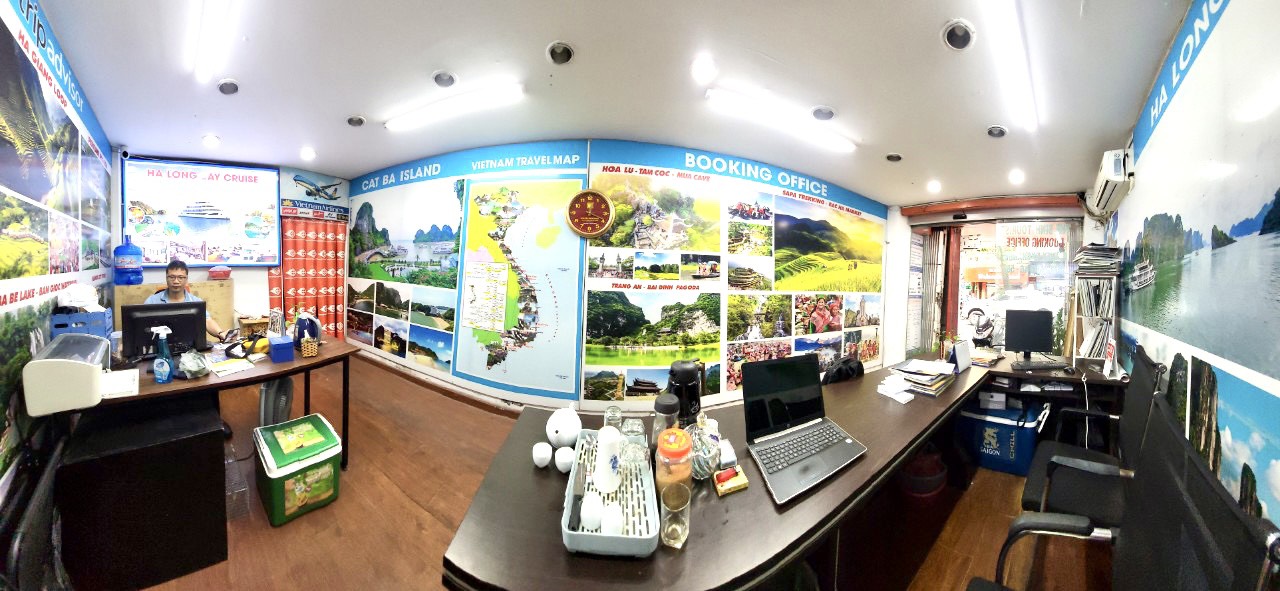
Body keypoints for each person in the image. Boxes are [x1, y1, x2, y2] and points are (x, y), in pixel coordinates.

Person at [145, 260, 230, 342]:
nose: (176, 281)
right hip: (161, 346)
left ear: (186, 279)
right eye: (172, 277)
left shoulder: (196, 302)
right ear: (166, 278)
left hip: (189, 347)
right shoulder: (152, 301)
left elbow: (207, 321)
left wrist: (220, 333)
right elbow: (144, 327)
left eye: (180, 277)